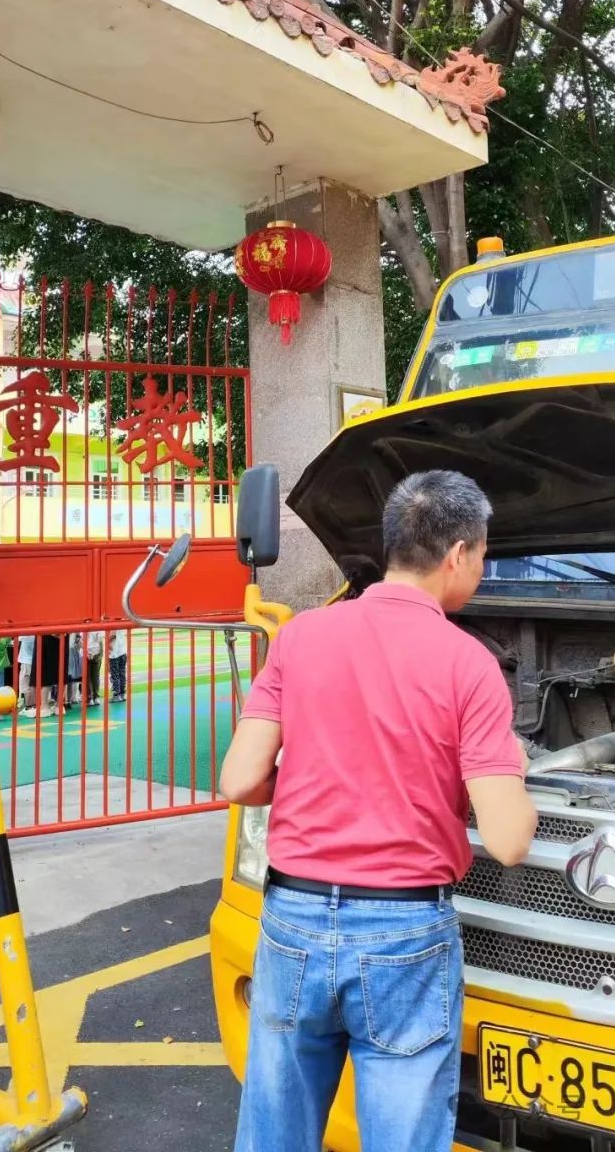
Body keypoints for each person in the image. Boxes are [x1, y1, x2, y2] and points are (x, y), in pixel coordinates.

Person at [219, 469, 537, 1152]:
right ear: (457, 554)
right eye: (483, 555)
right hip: (404, 938)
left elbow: (240, 779)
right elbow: (510, 840)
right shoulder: (469, 664)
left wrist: (322, 773)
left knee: (275, 1132)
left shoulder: (301, 637)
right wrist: (510, 764)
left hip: (292, 921)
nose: (482, 570)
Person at [85, 630, 103, 707]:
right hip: (89, 654)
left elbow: (100, 642)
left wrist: (100, 654)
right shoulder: (94, 629)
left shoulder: (95, 629)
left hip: (94, 654)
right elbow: (100, 642)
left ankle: (93, 697)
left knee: (92, 677)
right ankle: (92, 698)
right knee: (91, 677)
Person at [109, 628, 128, 703]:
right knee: (122, 674)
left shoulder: (113, 624)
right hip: (122, 652)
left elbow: (113, 635)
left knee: (115, 675)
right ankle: (122, 694)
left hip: (115, 653)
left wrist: (107, 641)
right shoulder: (120, 624)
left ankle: (117, 695)